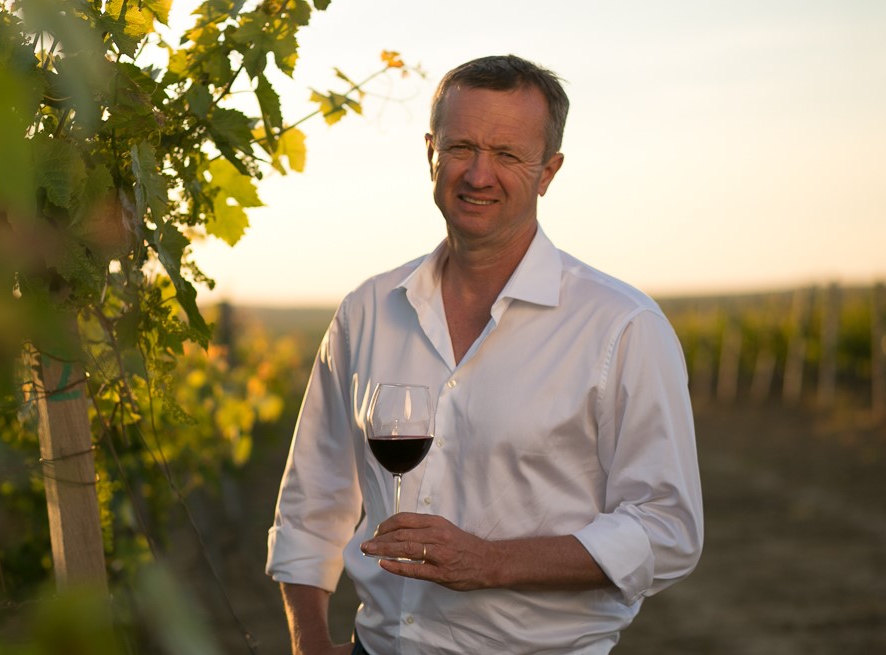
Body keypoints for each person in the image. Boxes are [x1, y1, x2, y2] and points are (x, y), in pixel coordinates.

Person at [265, 54, 703, 655]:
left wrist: (491, 562)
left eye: (507, 155)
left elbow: (667, 530)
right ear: (430, 153)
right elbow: (312, 503)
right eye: (461, 147)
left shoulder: (621, 327)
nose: (478, 174)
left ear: (548, 172)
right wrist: (309, 644)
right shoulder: (366, 311)